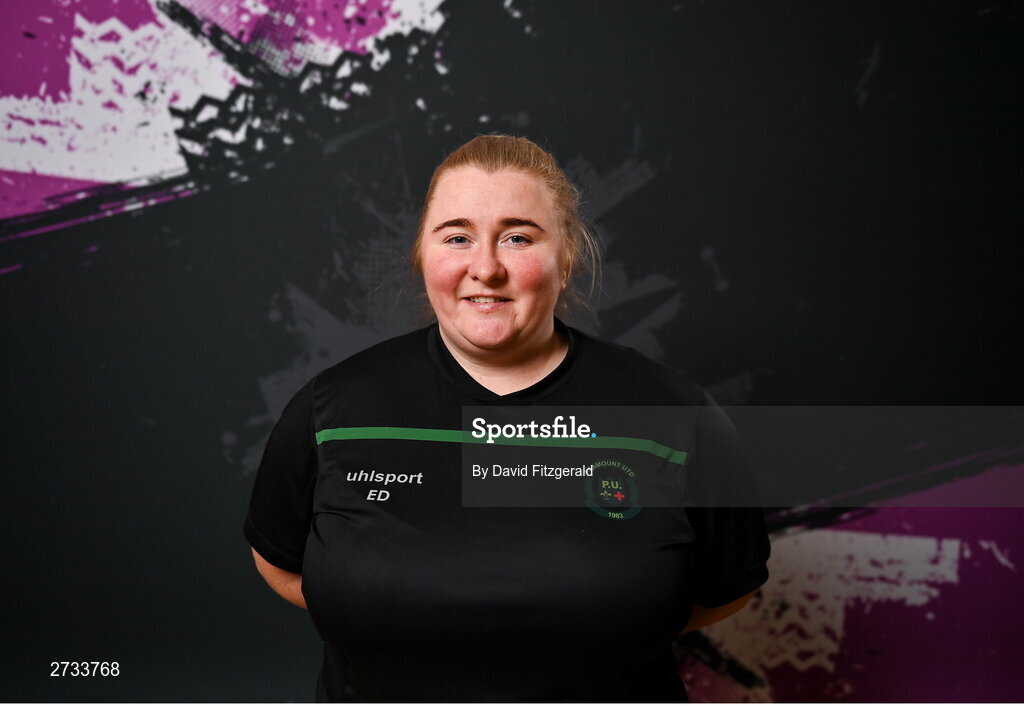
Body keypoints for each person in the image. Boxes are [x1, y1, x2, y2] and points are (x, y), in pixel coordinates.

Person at [243, 134, 770, 701]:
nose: (486, 267)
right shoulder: (332, 408)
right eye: (458, 237)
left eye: (518, 237)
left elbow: (727, 587)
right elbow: (280, 562)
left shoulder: (677, 415)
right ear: (423, 253)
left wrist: (601, 631)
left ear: (565, 258)